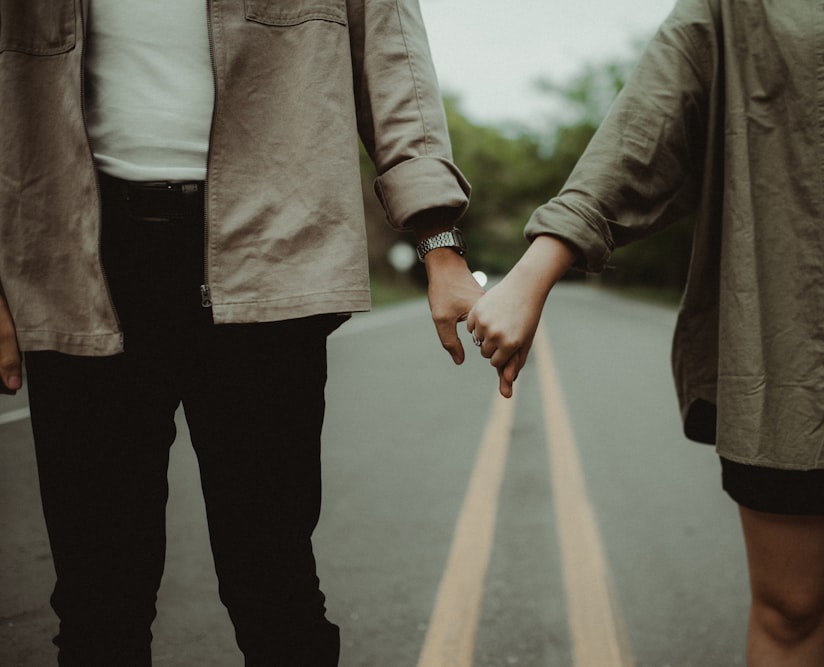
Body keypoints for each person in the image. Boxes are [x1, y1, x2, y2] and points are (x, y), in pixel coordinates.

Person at [466, 0, 824, 664]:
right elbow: (645, 128)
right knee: (790, 610)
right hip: (788, 345)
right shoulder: (734, 7)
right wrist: (537, 268)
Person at [0, 1, 483, 664]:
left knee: (275, 586)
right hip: (73, 258)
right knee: (97, 602)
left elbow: (391, 53)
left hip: (271, 245)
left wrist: (439, 238)